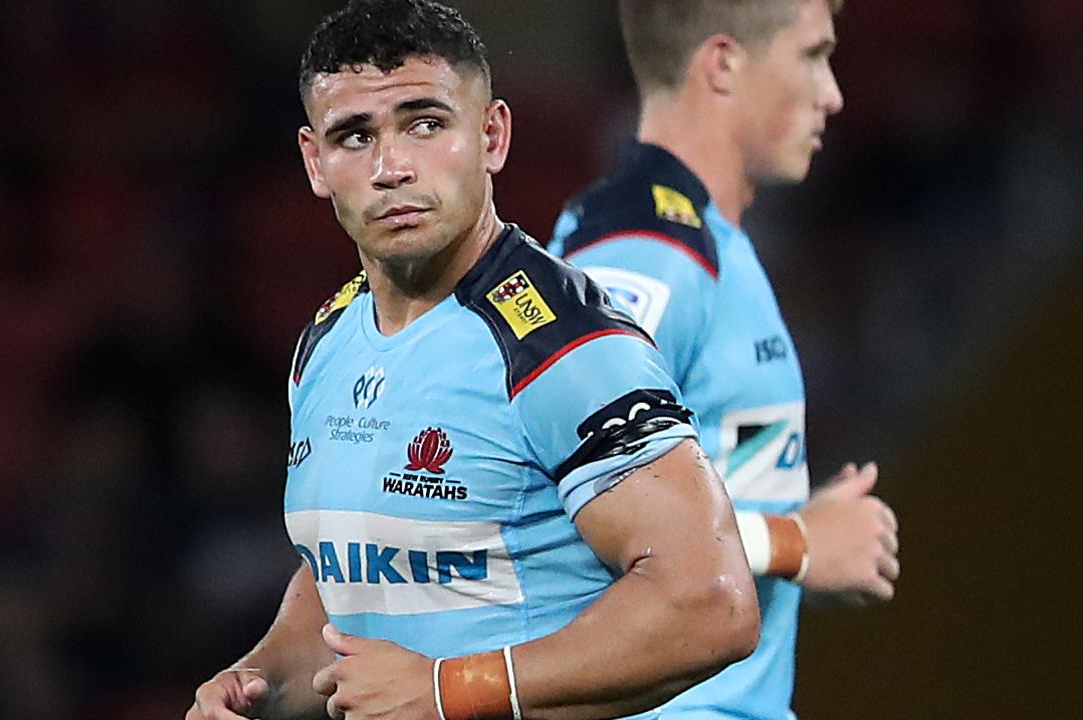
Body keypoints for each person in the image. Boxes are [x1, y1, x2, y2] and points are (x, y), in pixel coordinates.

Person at [187, 2, 761, 720]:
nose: (391, 167)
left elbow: (711, 605)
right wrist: (258, 680)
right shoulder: (325, 344)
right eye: (355, 136)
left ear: (491, 135)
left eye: (424, 124)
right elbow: (351, 578)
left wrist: (449, 690)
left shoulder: (565, 348)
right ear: (315, 162)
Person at [547, 1, 900, 719]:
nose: (831, 91)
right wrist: (796, 541)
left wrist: (788, 515)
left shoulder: (706, 240)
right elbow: (559, 518)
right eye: (810, 55)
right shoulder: (646, 252)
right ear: (722, 63)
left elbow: (667, 482)